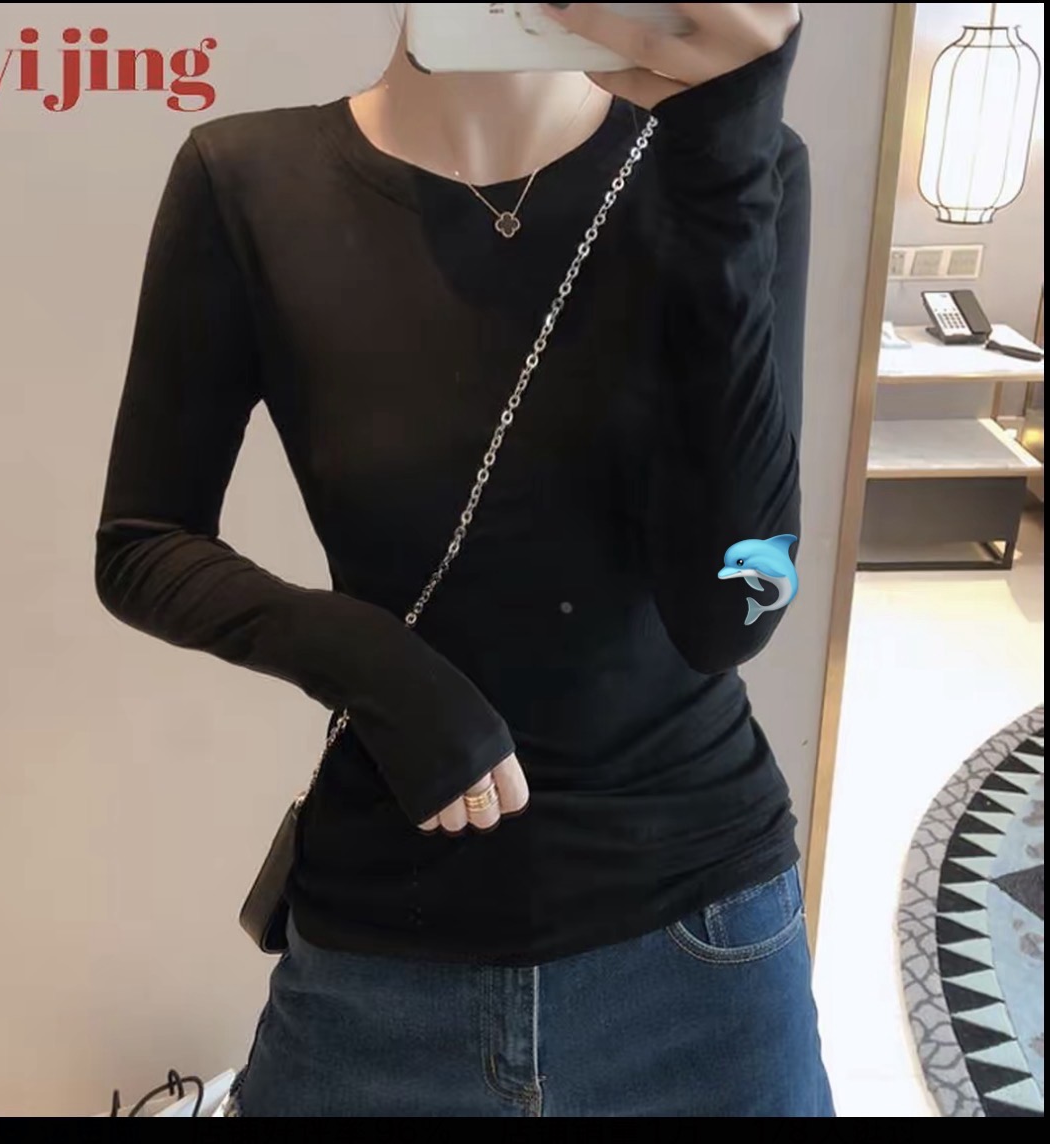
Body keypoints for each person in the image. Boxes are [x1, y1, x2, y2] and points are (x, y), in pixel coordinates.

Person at [96, 2, 833, 1118]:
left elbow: (735, 611)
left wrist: (723, 166)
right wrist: (375, 666)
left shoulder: (738, 163)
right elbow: (143, 544)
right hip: (383, 954)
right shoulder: (246, 179)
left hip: (699, 946)